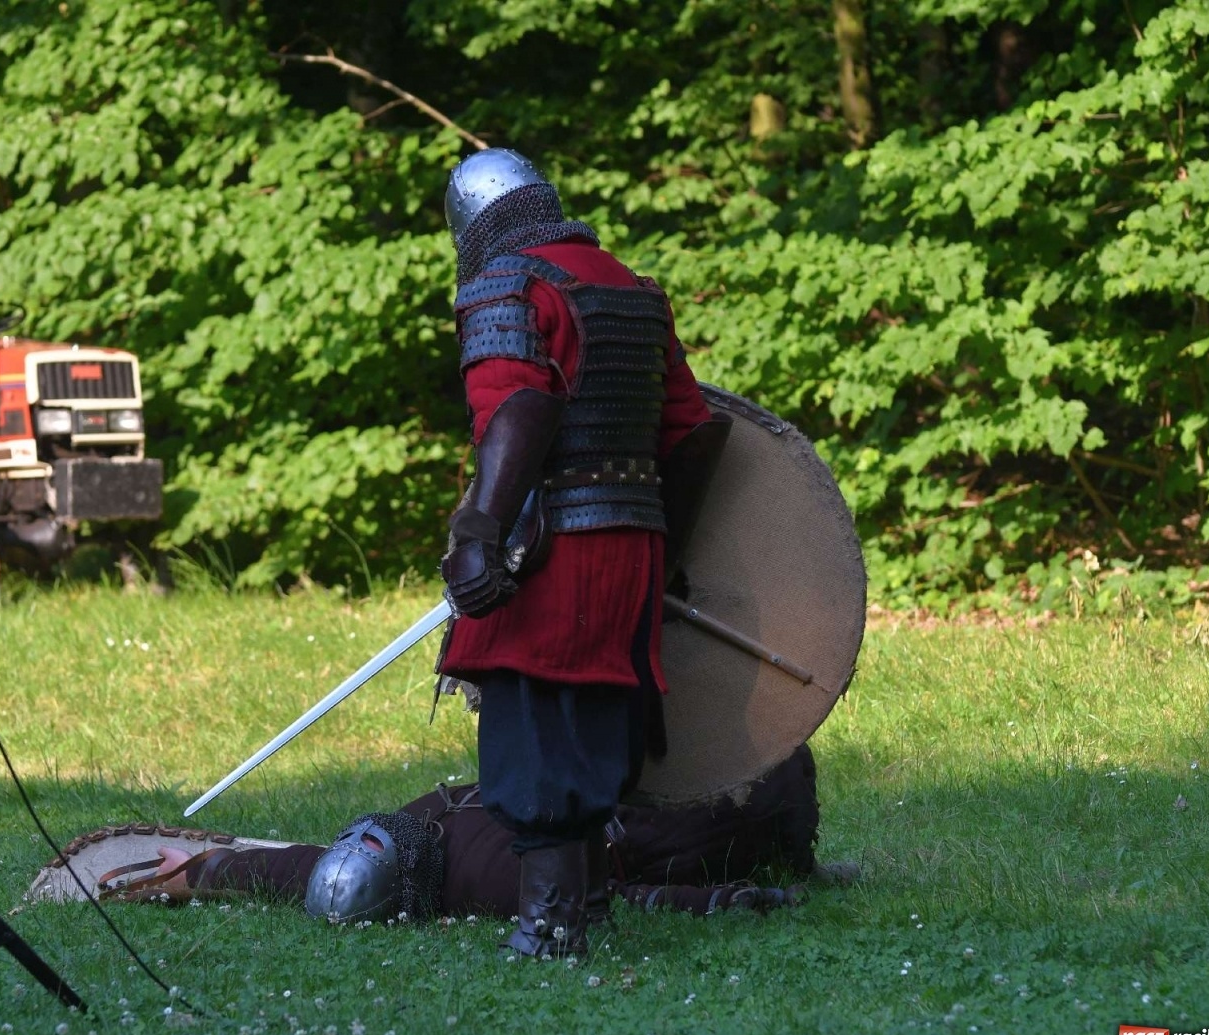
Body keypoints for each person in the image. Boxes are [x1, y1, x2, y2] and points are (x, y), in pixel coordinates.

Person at [431, 147, 732, 957]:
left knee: (532, 725)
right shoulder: (629, 287)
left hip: (549, 550)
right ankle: (589, 907)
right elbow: (696, 431)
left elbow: (518, 407)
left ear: (475, 223)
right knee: (596, 723)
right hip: (633, 543)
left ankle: (551, 926)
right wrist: (664, 552)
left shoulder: (508, 284)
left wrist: (476, 532)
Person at [139, 744, 856, 925]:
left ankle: (796, 854)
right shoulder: (443, 836)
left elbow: (316, 869)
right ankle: (797, 854)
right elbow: (632, 896)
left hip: (739, 809)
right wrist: (207, 870)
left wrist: (207, 870)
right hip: (711, 800)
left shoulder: (455, 860)